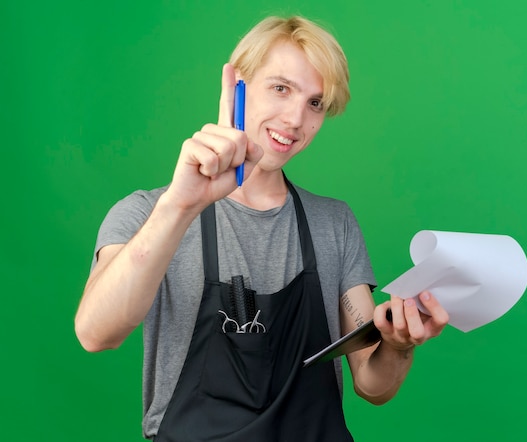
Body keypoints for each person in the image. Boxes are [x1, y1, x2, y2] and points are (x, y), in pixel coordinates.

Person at [75, 15, 449, 441]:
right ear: (236, 85)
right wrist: (181, 205)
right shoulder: (146, 212)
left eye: (315, 104)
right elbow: (95, 333)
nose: (294, 119)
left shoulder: (334, 223)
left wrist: (399, 346)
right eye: (281, 88)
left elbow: (370, 382)